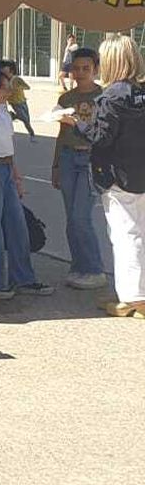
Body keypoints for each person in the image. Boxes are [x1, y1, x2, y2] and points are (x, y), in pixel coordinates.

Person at [87, 35, 145, 318]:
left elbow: (102, 138)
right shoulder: (140, 93)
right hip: (141, 171)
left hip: (116, 175)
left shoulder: (110, 97)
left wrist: (76, 123)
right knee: (140, 232)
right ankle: (135, 291)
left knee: (124, 234)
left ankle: (133, 297)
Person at [0, 64, 49, 302]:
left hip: (6, 167)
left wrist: (16, 174)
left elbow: (8, 144)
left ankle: (23, 277)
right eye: (3, 89)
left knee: (17, 224)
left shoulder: (3, 109)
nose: (7, 94)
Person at [51, 45, 109, 289]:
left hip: (89, 160)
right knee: (70, 218)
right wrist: (55, 165)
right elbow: (61, 134)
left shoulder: (104, 97)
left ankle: (94, 269)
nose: (80, 73)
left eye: (86, 68)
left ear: (96, 69)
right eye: (76, 68)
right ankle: (78, 267)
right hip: (66, 157)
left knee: (80, 217)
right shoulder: (66, 98)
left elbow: (105, 135)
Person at [0, 58, 34, 135]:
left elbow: (27, 87)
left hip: (21, 101)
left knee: (27, 119)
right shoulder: (4, 79)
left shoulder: (16, 79)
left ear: (11, 70)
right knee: (24, 118)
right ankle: (32, 134)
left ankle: (16, 117)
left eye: (5, 68)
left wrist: (18, 87)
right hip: (14, 102)